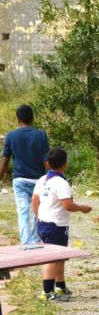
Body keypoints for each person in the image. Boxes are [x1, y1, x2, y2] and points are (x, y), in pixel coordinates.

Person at [31, 148, 92, 302]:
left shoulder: (42, 180)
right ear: (65, 164)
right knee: (52, 258)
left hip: (44, 223)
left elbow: (34, 200)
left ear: (48, 163)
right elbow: (67, 205)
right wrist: (82, 208)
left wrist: (38, 216)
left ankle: (60, 285)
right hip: (56, 224)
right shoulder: (62, 183)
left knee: (60, 256)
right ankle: (47, 291)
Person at [0, 105, 50, 245]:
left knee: (23, 212)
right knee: (37, 211)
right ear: (32, 118)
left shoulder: (11, 136)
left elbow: (5, 160)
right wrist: (49, 178)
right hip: (38, 181)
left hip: (20, 180)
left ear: (18, 119)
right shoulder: (41, 135)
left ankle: (25, 242)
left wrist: (0, 177)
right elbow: (46, 159)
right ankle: (35, 240)